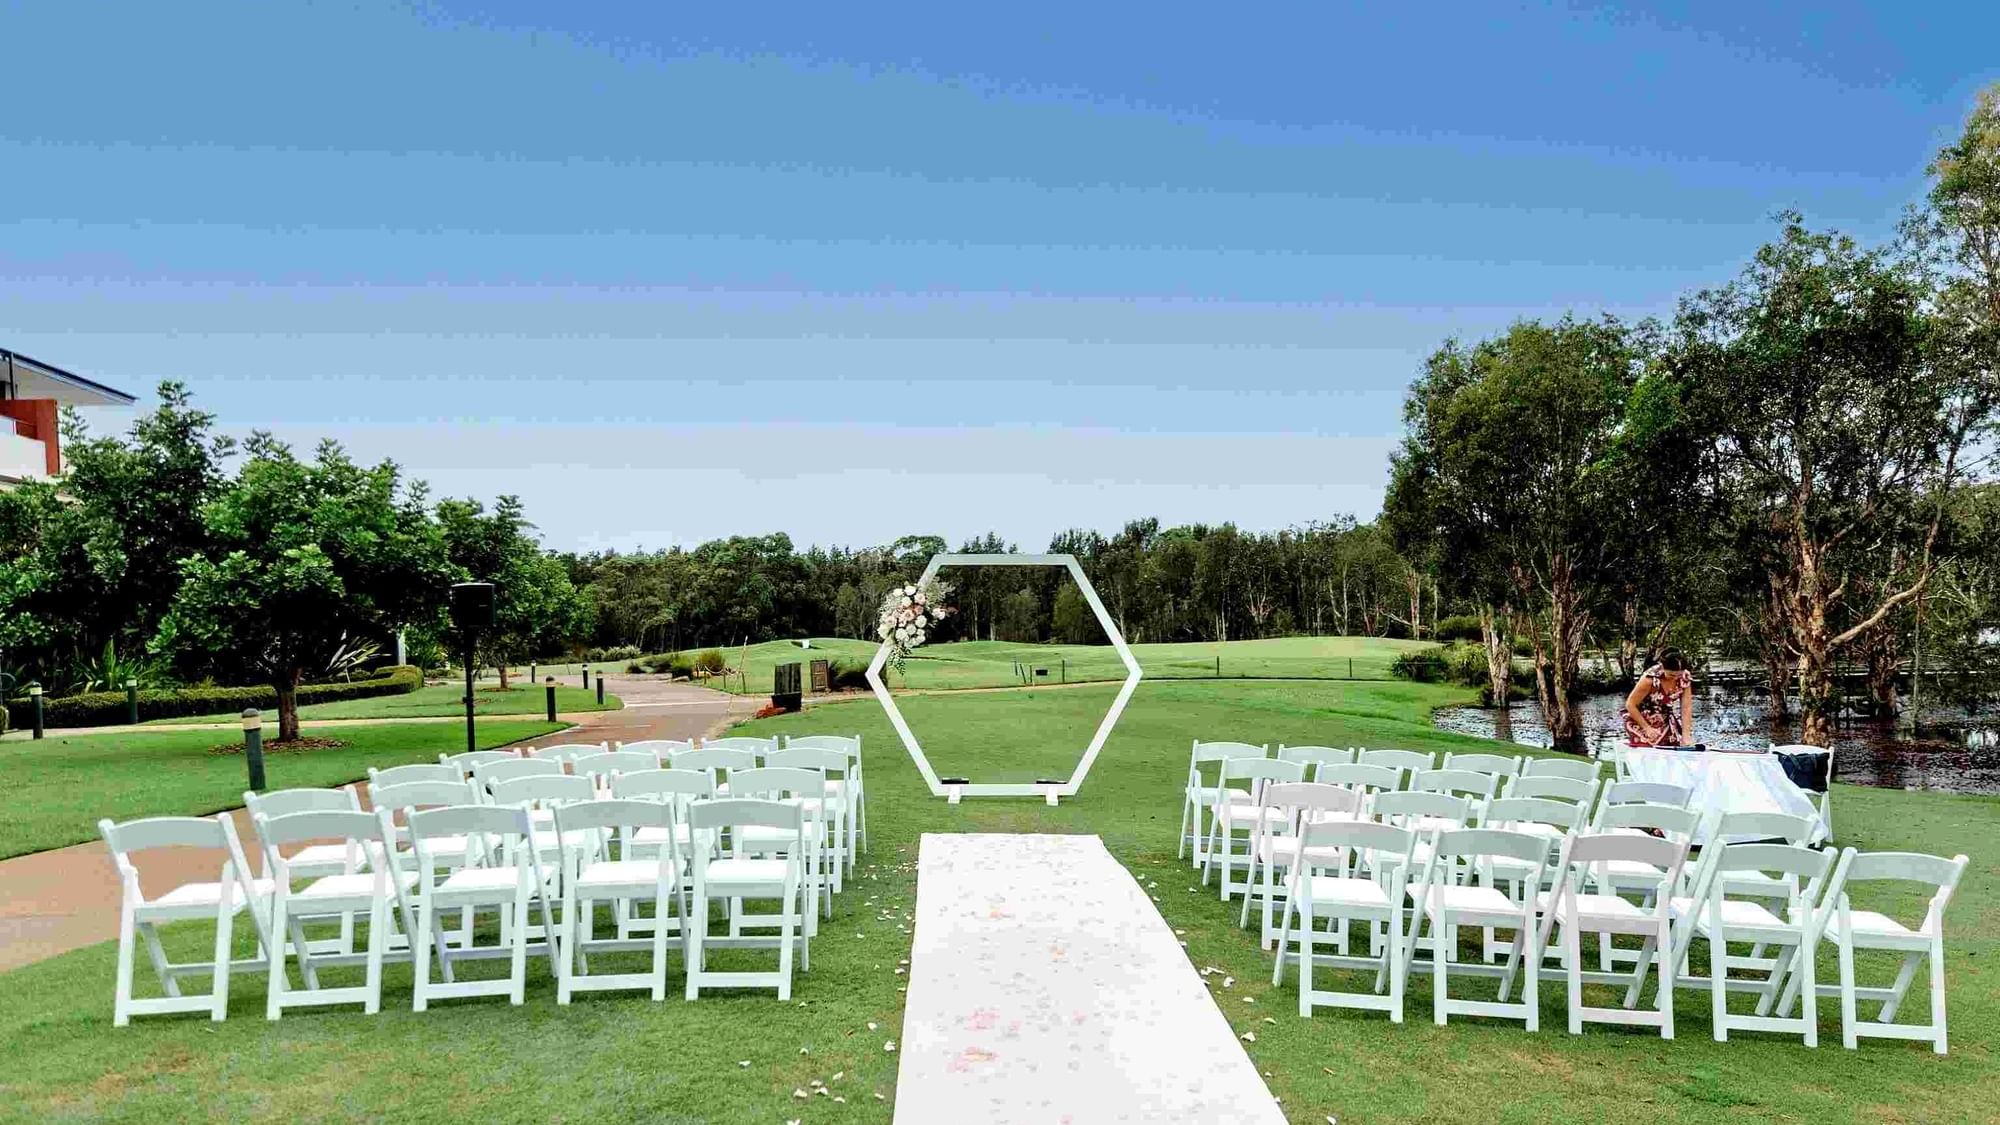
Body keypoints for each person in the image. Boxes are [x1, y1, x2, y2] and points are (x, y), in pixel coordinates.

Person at [1624, 648, 1695, 747]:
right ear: (1662, 667)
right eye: (1671, 675)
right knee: (1650, 747)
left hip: (1664, 718)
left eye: (1678, 675)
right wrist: (1647, 728)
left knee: (1675, 746)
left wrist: (1686, 735)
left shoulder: (1684, 677)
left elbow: (1686, 707)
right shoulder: (1649, 679)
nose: (1675, 678)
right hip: (1641, 718)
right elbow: (1630, 705)